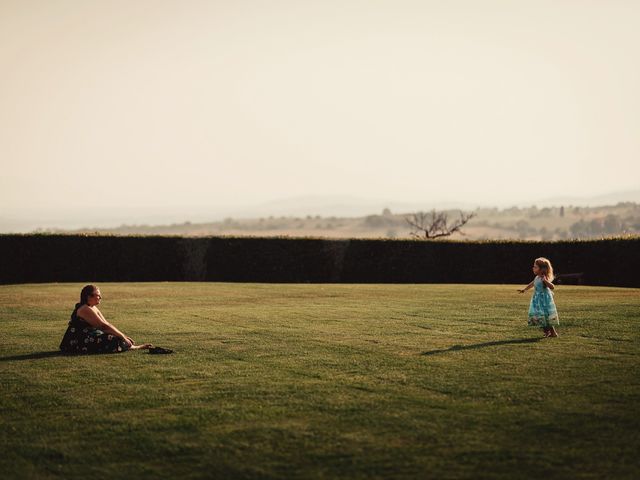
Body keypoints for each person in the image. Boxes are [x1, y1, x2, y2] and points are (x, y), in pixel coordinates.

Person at [59, 285, 153, 354]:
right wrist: (123, 337)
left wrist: (123, 335)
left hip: (89, 336)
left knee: (117, 337)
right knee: (115, 340)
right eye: (98, 295)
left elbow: (106, 323)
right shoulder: (84, 309)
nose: (100, 297)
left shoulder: (92, 307)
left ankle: (132, 346)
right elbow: (103, 326)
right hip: (77, 342)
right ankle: (132, 347)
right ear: (89, 296)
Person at [518, 257, 559, 337]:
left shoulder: (544, 278)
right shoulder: (537, 277)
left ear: (541, 269)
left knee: (545, 316)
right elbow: (532, 284)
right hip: (537, 301)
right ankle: (547, 332)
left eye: (535, 267)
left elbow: (552, 287)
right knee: (540, 316)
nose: (533, 268)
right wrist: (524, 289)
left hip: (544, 301)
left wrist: (545, 281)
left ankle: (552, 332)